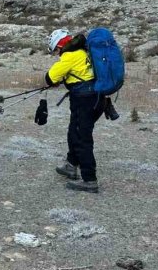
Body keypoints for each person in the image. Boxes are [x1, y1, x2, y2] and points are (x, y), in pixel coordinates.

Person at [44, 29, 109, 194]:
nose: (57, 54)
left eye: (56, 50)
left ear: (60, 45)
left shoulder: (69, 56)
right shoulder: (83, 51)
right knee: (75, 131)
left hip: (85, 100)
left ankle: (89, 180)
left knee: (81, 137)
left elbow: (50, 78)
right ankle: (71, 165)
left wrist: (60, 76)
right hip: (96, 99)